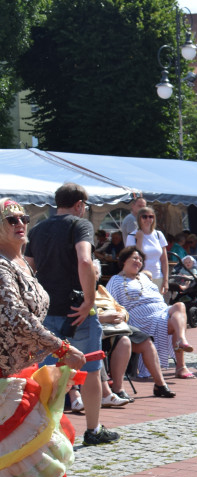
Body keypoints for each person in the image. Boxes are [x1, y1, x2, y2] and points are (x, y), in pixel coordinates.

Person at [0, 198, 87, 477]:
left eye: (23, 218)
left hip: (21, 365)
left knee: (25, 444)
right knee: (12, 445)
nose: (20, 223)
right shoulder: (1, 266)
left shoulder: (20, 262)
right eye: (11, 219)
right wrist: (61, 347)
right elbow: (15, 316)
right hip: (4, 368)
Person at [24, 182, 119, 447]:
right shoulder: (80, 225)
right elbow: (85, 260)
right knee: (89, 370)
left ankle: (43, 433)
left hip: (44, 310)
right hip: (75, 312)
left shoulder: (38, 228)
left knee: (45, 374)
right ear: (79, 205)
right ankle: (93, 430)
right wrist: (90, 299)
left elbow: (28, 268)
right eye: (85, 206)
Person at [106, 247, 195, 381]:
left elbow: (148, 276)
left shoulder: (143, 277)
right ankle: (181, 365)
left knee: (180, 306)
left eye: (141, 260)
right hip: (141, 318)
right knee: (178, 316)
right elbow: (110, 303)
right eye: (135, 258)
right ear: (124, 260)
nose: (138, 262)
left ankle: (181, 341)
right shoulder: (116, 280)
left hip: (161, 310)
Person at [94, 262, 175, 401]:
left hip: (116, 324)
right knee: (124, 340)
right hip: (99, 326)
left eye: (96, 273)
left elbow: (120, 307)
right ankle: (118, 388)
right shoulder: (80, 291)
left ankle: (160, 384)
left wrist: (122, 315)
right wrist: (102, 318)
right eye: (91, 272)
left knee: (146, 340)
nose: (93, 276)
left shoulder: (101, 289)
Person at [126, 206, 169, 296]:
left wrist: (165, 280)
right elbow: (134, 259)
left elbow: (164, 260)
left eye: (151, 216)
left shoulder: (159, 235)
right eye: (144, 217)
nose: (148, 219)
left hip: (158, 277)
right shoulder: (132, 236)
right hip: (139, 278)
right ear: (139, 218)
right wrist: (140, 240)